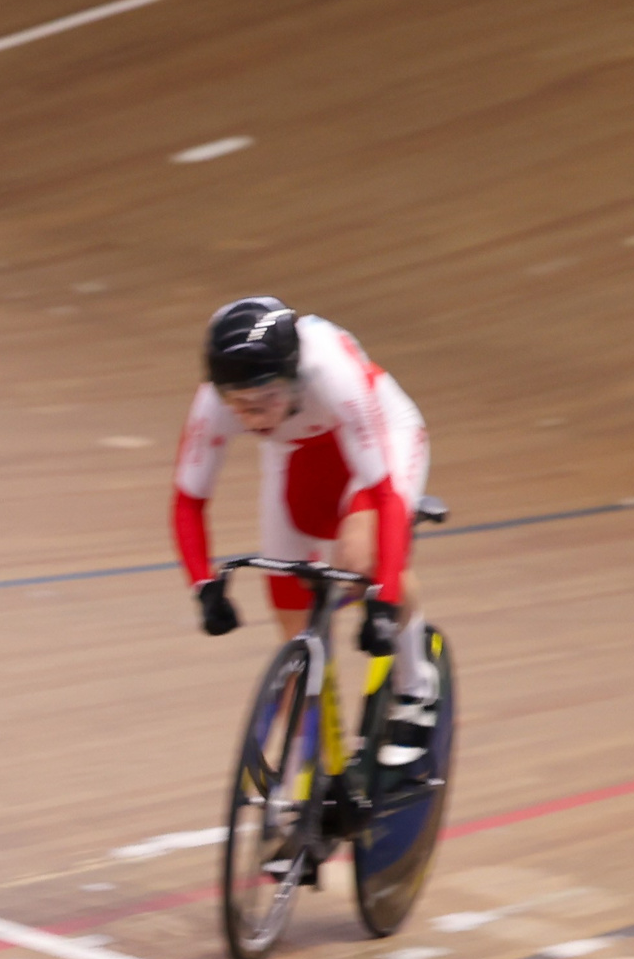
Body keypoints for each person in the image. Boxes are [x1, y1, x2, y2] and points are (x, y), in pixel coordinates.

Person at [173, 297, 437, 712]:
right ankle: (309, 755)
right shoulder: (215, 402)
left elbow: (384, 493)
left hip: (381, 438)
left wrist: (384, 602)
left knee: (360, 557)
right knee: (291, 620)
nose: (251, 418)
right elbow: (188, 500)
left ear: (294, 377)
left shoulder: (332, 373)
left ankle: (416, 693)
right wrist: (203, 587)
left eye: (263, 401)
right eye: (237, 404)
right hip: (294, 450)